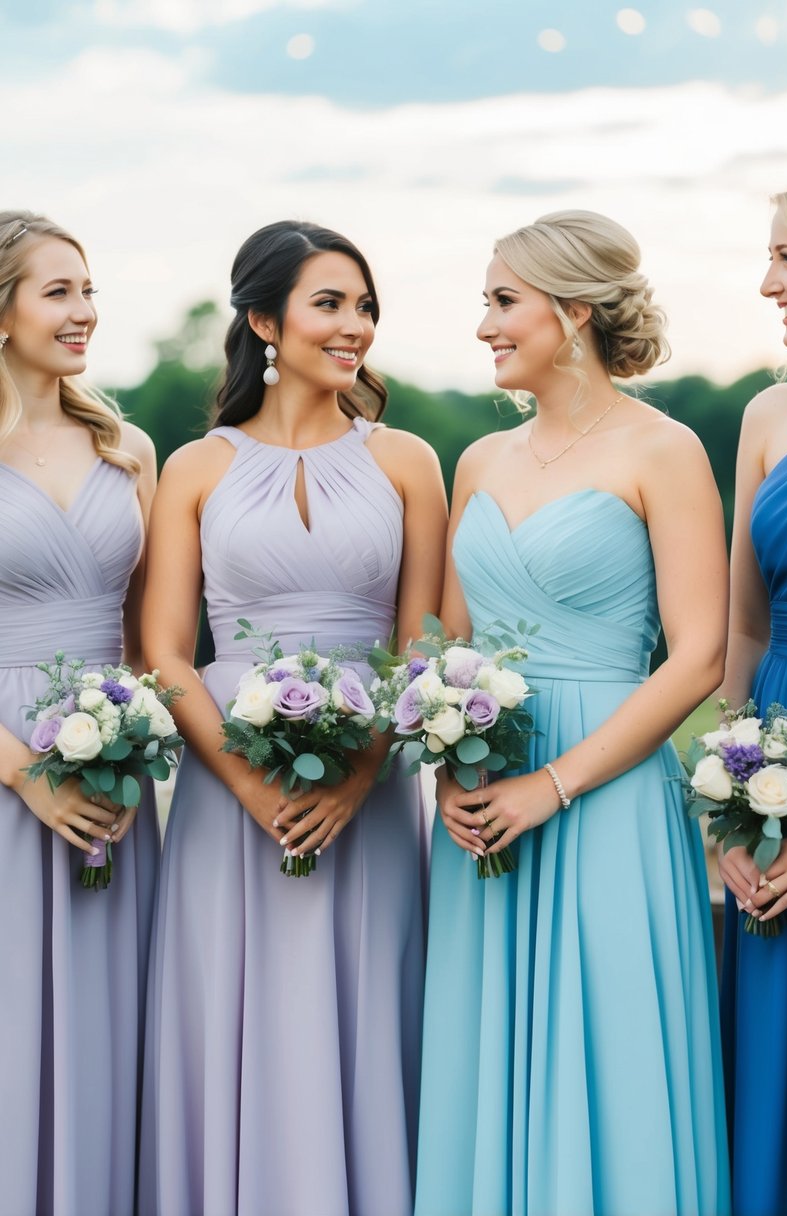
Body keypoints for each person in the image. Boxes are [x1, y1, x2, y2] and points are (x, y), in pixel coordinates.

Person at [414, 209, 731, 1216]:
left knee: (612, 1048)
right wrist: (450, 770)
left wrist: (552, 783)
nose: (485, 328)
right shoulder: (479, 462)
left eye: (502, 303)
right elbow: (447, 652)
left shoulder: (664, 449)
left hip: (605, 798)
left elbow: (698, 657)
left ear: (575, 312)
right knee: (486, 1052)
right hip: (482, 807)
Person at [138, 220, 447, 1216]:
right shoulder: (195, 467)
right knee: (235, 1014)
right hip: (229, 798)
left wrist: (362, 772)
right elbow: (166, 650)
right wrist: (239, 777)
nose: (353, 324)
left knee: (368, 1014)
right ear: (264, 319)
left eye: (363, 306)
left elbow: (423, 647)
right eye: (330, 303)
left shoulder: (407, 462)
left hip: (375, 784)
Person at [0, 211, 158, 1215]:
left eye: (87, 290)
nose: (84, 312)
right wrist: (23, 773)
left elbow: (147, 642)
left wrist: (130, 745)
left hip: (110, 778)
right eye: (58, 291)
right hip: (7, 767)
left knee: (108, 1032)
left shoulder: (126, 446)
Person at [718, 171, 787, 1216]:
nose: (766, 284)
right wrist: (727, 796)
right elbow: (744, 627)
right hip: (776, 782)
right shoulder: (768, 412)